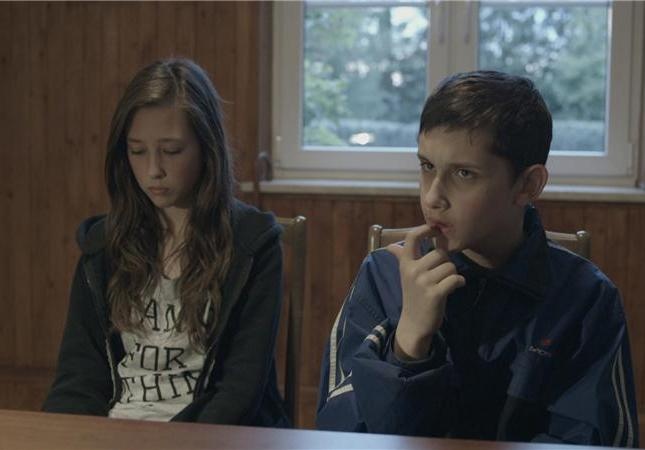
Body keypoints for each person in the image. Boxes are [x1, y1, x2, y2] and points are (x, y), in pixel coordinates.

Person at [316, 70, 639, 446]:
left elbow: (595, 440)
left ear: (528, 185)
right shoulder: (383, 276)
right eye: (427, 167)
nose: (432, 197)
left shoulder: (586, 298)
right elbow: (340, 434)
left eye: (464, 174)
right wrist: (408, 345)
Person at [43, 58, 288, 426]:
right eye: (137, 151)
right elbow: (78, 378)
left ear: (206, 148)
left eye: (171, 151)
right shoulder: (103, 246)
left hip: (207, 435)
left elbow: (239, 391)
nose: (153, 170)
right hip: (115, 431)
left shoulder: (252, 244)